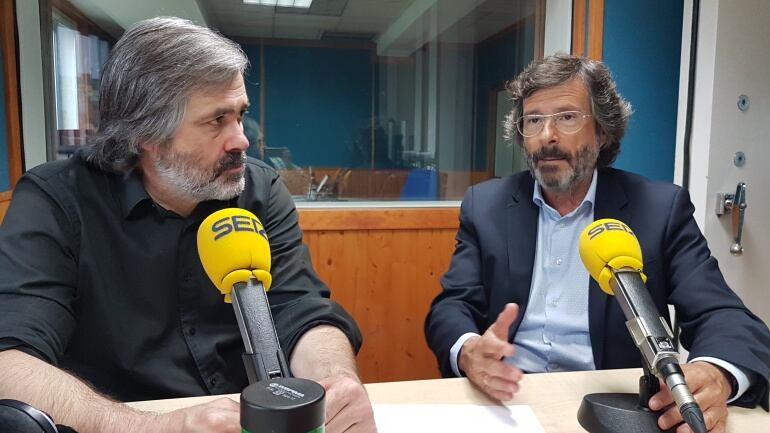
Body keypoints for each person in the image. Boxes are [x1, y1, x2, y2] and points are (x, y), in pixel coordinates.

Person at [0, 17, 376, 433]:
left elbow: (299, 309)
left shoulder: (260, 189)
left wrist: (336, 382)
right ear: (147, 134)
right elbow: (9, 359)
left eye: (241, 115)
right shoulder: (56, 200)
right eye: (217, 120)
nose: (241, 140)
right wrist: (155, 428)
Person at [425, 53, 770, 433]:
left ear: (603, 132)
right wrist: (469, 349)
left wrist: (716, 373)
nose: (546, 136)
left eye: (567, 117)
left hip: (610, 408)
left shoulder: (658, 209)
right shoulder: (485, 205)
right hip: (508, 401)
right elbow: (451, 305)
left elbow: (723, 315)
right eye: (533, 120)